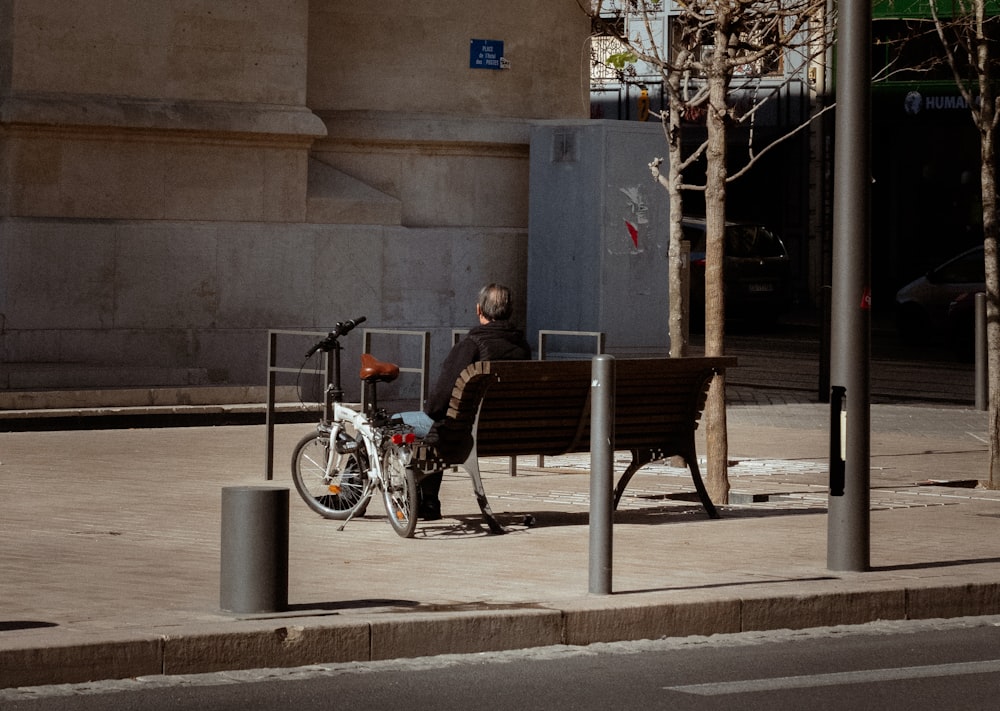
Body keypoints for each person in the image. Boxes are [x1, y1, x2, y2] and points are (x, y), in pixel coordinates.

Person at [399, 283, 531, 520]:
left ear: (479, 310)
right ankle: (427, 501)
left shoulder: (471, 346)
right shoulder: (522, 348)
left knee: (392, 423)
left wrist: (433, 410)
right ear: (509, 312)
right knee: (435, 426)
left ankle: (348, 490)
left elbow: (436, 406)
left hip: (464, 433)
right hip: (507, 434)